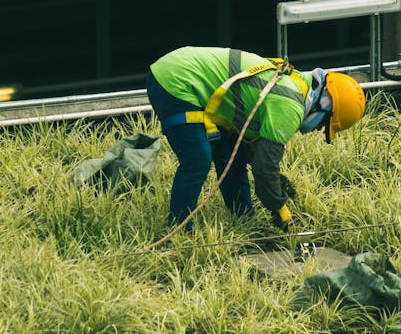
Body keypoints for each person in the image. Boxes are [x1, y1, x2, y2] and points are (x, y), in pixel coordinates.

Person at [145, 46, 366, 233]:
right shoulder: (291, 104)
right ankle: (179, 232)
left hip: (180, 70)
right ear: (324, 105)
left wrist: (274, 180)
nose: (317, 129)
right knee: (197, 160)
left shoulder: (291, 83)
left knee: (232, 156)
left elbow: (254, 155)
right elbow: (263, 168)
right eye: (322, 125)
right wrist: (280, 209)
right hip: (175, 80)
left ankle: (245, 221)